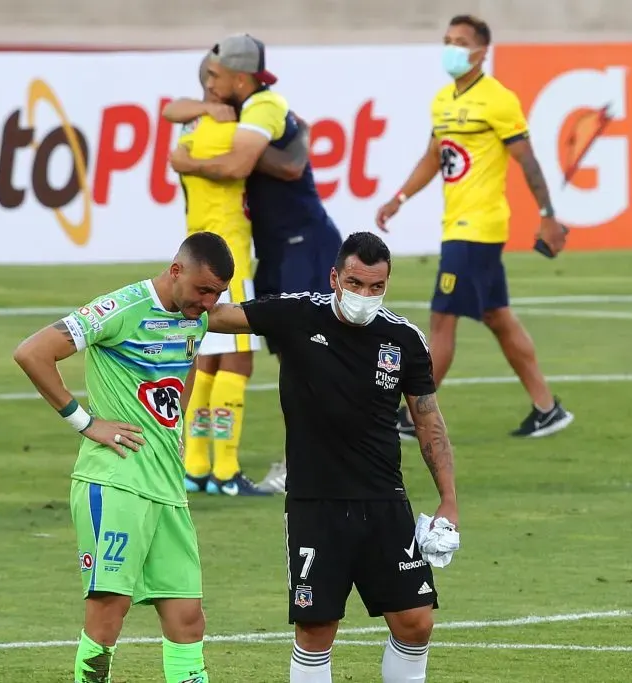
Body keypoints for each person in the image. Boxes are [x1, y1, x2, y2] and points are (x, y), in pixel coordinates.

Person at [205, 232, 459, 683]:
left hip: (384, 501)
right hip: (314, 503)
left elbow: (428, 422)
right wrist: (174, 294)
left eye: (376, 287)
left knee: (416, 622)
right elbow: (219, 317)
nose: (365, 295)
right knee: (317, 628)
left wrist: (449, 501)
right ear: (335, 277)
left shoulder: (404, 339)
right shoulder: (297, 314)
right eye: (356, 283)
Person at [12, 231, 236, 683]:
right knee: (108, 616)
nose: (209, 303)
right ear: (176, 270)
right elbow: (32, 353)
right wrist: (87, 423)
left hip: (167, 487)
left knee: (188, 618)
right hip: (115, 483)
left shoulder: (194, 317)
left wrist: (173, 433)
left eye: (217, 294)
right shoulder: (122, 308)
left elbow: (183, 368)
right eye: (203, 290)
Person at [376, 14, 575, 439]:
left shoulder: (498, 100)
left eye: (461, 42)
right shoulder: (442, 101)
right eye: (447, 40)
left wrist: (546, 213)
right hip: (459, 226)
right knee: (497, 316)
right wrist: (400, 198)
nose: (451, 48)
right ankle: (547, 408)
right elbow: (435, 156)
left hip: (476, 228)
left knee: (442, 320)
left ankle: (413, 418)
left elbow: (527, 158)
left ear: (482, 51)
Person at [169, 34, 344, 494]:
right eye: (208, 77)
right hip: (245, 254)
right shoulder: (229, 123)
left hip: (282, 246)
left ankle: (206, 466)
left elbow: (273, 164)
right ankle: (223, 471)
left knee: (283, 354)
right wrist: (297, 133)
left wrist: (185, 159)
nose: (211, 82)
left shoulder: (221, 122)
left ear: (236, 79)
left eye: (215, 74)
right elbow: (263, 164)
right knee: (246, 358)